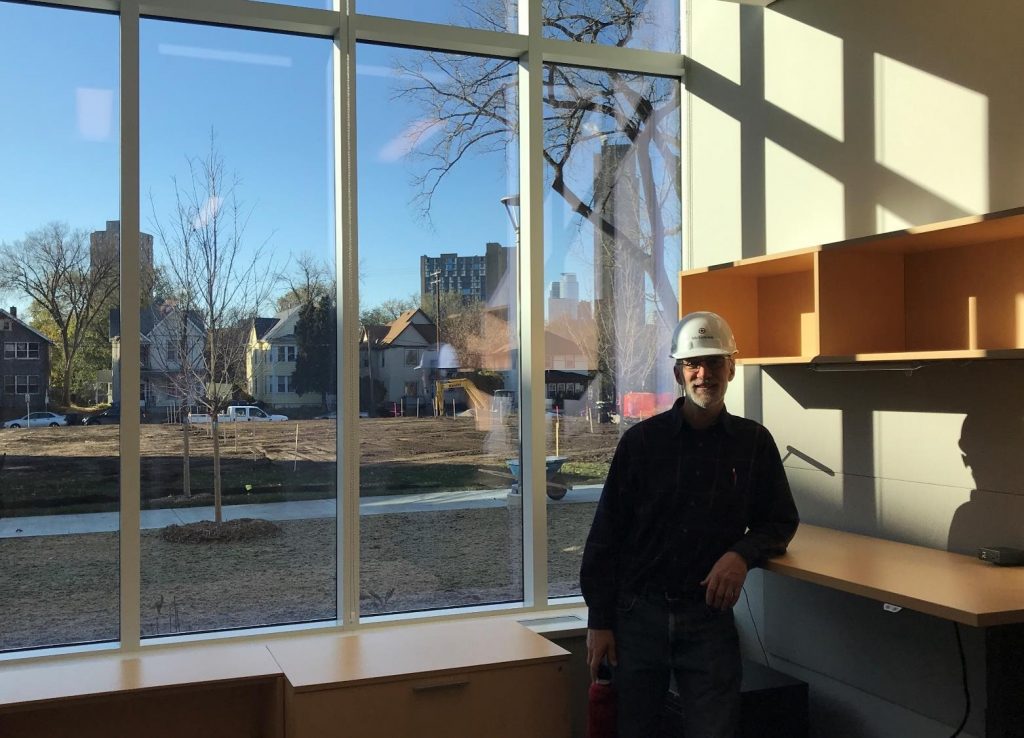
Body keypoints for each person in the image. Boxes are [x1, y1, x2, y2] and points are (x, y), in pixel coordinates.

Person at [580, 311, 799, 738]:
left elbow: (780, 521)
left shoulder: (753, 444)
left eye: (715, 362)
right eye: (693, 364)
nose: (704, 374)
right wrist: (599, 620)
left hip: (708, 622)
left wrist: (741, 555)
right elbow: (606, 537)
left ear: (732, 367)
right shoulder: (641, 444)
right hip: (637, 619)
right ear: (678, 371)